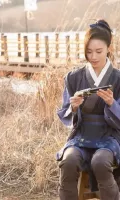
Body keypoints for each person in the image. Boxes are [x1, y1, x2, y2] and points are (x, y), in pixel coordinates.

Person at [56, 19, 120, 200]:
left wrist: (112, 104)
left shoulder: (118, 79)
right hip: (81, 136)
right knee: (68, 161)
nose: (93, 57)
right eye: (89, 52)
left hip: (110, 136)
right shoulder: (73, 78)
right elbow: (65, 111)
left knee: (100, 162)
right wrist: (73, 107)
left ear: (109, 48)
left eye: (99, 51)